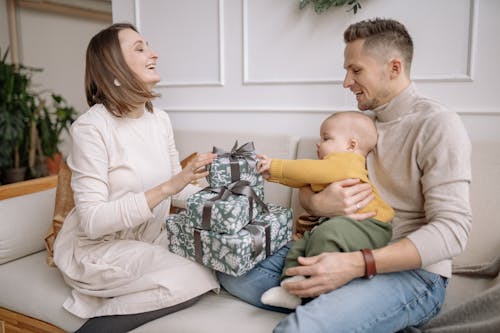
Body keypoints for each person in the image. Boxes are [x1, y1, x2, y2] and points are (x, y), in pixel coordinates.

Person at [217, 18, 472, 333]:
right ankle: (356, 311)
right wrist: (321, 204)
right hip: (340, 245)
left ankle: (342, 309)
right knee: (230, 268)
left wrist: (357, 264)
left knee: (298, 329)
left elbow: (454, 230)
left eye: (356, 70)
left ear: (393, 68)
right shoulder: (357, 125)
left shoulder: (437, 124)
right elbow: (311, 187)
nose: (346, 82)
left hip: (410, 272)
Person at [53, 23, 219, 333]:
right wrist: (171, 185)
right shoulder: (91, 128)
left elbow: (176, 188)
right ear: (113, 66)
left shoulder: (159, 119)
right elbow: (92, 221)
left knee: (213, 261)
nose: (154, 54)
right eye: (139, 48)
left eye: (149, 46)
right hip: (98, 250)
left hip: (149, 239)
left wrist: (217, 189)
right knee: (194, 277)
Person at [256, 111, 394, 309]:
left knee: (327, 233)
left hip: (372, 224)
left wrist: (275, 166)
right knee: (303, 241)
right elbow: (304, 179)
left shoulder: (347, 162)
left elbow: (309, 170)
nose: (318, 144)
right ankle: (291, 285)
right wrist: (272, 174)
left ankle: (318, 291)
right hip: (348, 225)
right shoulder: (331, 169)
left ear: (351, 145)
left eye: (326, 138)